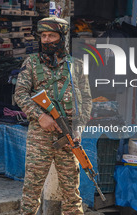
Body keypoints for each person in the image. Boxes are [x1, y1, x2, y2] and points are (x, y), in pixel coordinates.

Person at [14, 17, 92, 215]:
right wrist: (40, 116)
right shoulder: (31, 63)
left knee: (72, 194)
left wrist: (78, 129)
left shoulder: (76, 66)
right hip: (40, 136)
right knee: (31, 192)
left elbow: (86, 100)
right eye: (43, 36)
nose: (47, 40)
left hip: (67, 138)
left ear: (62, 38)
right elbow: (20, 94)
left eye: (52, 35)